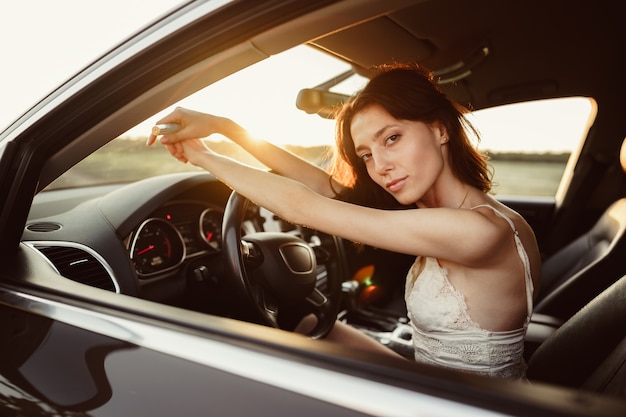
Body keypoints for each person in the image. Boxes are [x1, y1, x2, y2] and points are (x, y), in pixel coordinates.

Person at [147, 63, 541, 379]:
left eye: (392, 139)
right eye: (366, 154)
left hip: (467, 407)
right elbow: (323, 187)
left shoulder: (479, 231)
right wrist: (226, 128)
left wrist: (202, 157)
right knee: (313, 329)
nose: (381, 166)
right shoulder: (464, 215)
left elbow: (306, 208)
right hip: (436, 381)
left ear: (439, 129)